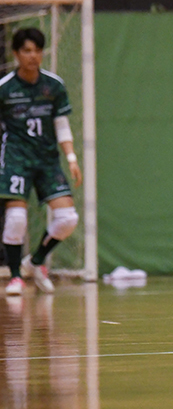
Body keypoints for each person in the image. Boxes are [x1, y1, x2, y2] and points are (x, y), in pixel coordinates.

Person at [1, 28, 82, 296]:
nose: (33, 56)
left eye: (37, 50)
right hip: (16, 159)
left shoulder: (53, 85)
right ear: (16, 54)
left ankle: (35, 262)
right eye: (27, 50)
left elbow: (61, 124)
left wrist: (71, 157)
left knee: (68, 219)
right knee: (16, 219)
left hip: (47, 160)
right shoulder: (5, 88)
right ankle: (15, 277)